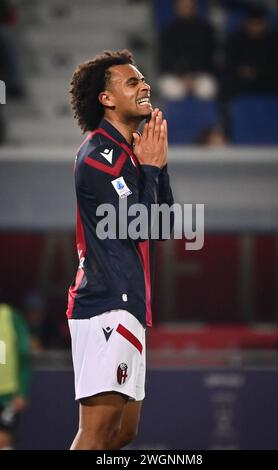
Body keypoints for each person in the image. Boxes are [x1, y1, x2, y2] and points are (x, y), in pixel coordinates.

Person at [67, 49, 173, 450]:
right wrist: (148, 170)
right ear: (106, 99)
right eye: (132, 82)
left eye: (143, 79)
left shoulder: (132, 152)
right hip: (106, 302)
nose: (144, 85)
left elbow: (160, 227)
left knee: (124, 432)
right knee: (96, 431)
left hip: (129, 301)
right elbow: (137, 223)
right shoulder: (100, 155)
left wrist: (157, 168)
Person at [0, 303, 30, 450]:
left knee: (3, 440)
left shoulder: (11, 317)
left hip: (6, 395)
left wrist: (21, 392)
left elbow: (23, 355)